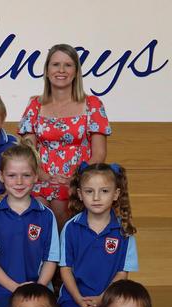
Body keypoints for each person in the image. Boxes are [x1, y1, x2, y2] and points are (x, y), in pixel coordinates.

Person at [19, 44, 112, 228]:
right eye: (55, 65)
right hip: (40, 177)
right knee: (37, 208)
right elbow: (26, 151)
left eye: (68, 65)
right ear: (46, 70)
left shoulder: (92, 104)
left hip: (79, 178)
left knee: (62, 204)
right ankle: (41, 257)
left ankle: (64, 256)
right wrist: (43, 176)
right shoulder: (35, 104)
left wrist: (75, 179)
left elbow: (99, 155)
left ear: (76, 72)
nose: (61, 70)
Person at [59, 162, 137, 307]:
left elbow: (122, 274)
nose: (96, 197)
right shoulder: (72, 227)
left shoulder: (123, 231)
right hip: (74, 295)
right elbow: (65, 268)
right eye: (89, 191)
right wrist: (78, 298)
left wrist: (102, 298)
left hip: (108, 297)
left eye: (104, 191)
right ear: (79, 193)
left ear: (116, 194)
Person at [0, 141, 59, 307]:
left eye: (26, 175)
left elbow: (51, 259)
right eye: (12, 175)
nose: (19, 182)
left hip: (40, 288)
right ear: (1, 176)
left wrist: (38, 288)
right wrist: (16, 289)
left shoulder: (46, 215)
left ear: (35, 176)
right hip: (3, 290)